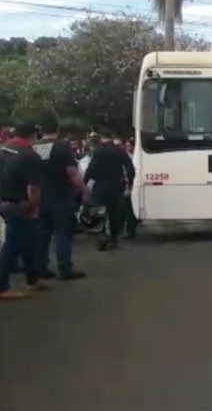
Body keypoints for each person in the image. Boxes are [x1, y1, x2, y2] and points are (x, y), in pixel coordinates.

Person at [33, 116, 87, 281]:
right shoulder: (61, 148)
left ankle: (40, 268)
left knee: (42, 236)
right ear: (57, 129)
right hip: (61, 198)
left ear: (41, 130)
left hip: (40, 198)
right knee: (63, 234)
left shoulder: (33, 148)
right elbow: (71, 172)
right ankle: (64, 269)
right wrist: (83, 188)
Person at [0, 121, 48, 300]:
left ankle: (33, 278)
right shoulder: (30, 156)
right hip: (20, 205)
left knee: (29, 241)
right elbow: (33, 189)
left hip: (3, 202)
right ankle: (2, 286)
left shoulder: (3, 149)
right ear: (33, 135)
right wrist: (34, 207)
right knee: (12, 246)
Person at [84, 131, 135, 250]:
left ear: (101, 137)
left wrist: (84, 183)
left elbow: (91, 169)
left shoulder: (98, 151)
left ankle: (101, 236)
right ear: (111, 137)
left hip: (100, 185)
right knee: (114, 213)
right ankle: (114, 239)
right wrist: (129, 182)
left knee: (99, 211)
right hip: (116, 184)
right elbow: (129, 167)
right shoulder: (119, 151)